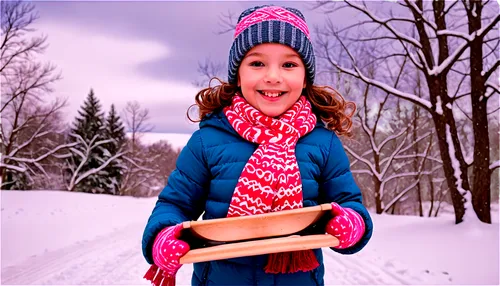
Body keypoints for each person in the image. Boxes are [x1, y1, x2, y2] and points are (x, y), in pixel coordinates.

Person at [141, 4, 373, 286]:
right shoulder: (207, 141)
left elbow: (349, 202)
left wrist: (352, 224)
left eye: (288, 64)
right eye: (257, 63)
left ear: (305, 76)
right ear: (238, 75)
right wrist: (162, 236)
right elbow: (174, 204)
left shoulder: (323, 143)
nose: (273, 76)